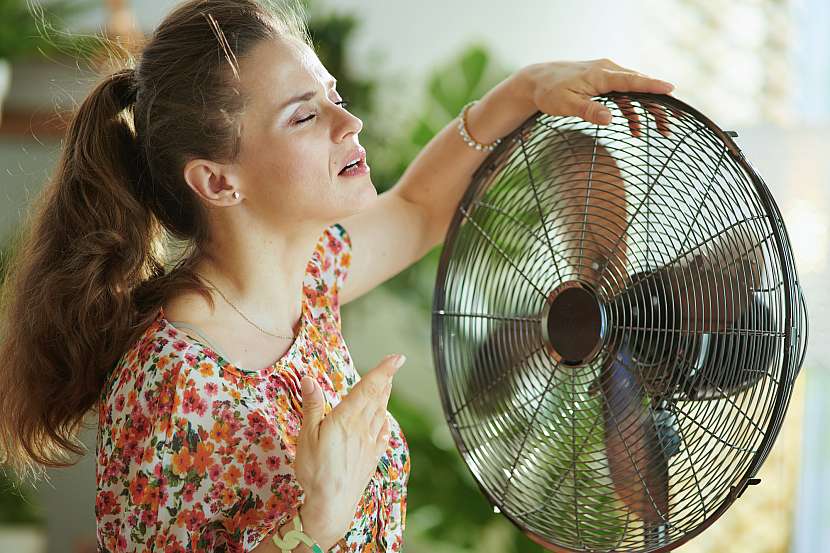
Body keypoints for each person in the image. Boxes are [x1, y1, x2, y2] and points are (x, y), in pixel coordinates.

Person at [0, 0, 675, 550]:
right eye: (306, 115)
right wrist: (314, 521)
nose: (349, 122)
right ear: (216, 180)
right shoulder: (173, 384)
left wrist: (529, 88)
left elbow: (416, 208)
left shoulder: (307, 279)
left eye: (334, 96)